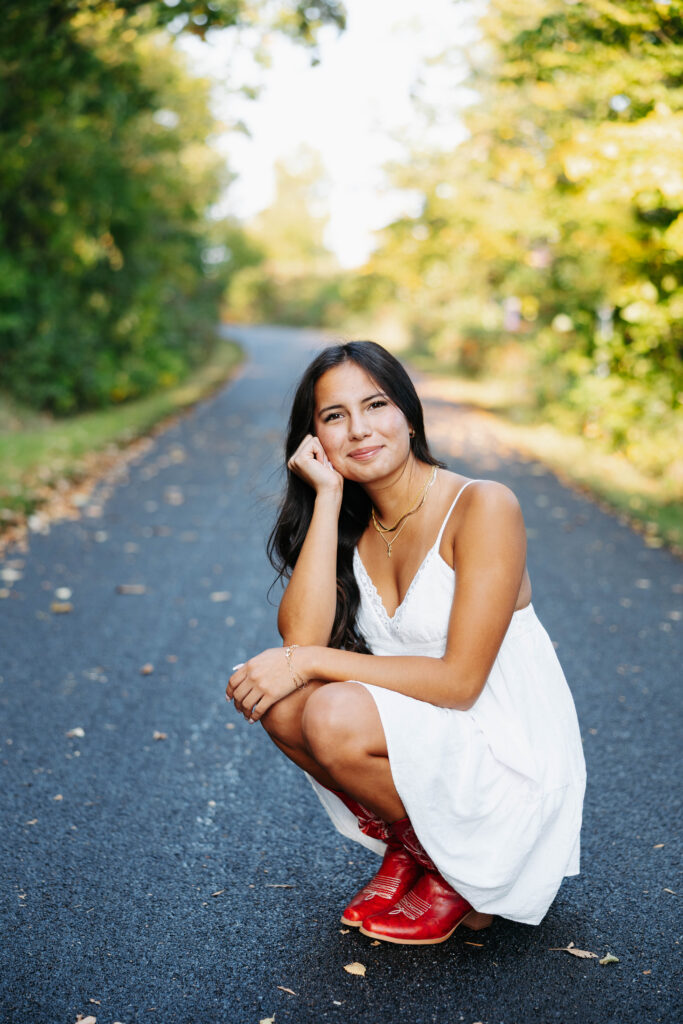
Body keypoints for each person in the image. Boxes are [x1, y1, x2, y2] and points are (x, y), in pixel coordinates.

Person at [226, 340, 586, 945]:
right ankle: (417, 851)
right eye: (334, 416)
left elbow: (459, 682)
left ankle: (464, 868)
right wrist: (329, 498)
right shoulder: (354, 526)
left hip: (504, 756)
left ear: (409, 415)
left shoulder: (483, 505)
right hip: (436, 744)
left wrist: (308, 661)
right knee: (284, 705)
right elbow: (300, 639)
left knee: (331, 708)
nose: (359, 429)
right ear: (313, 438)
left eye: (376, 405)